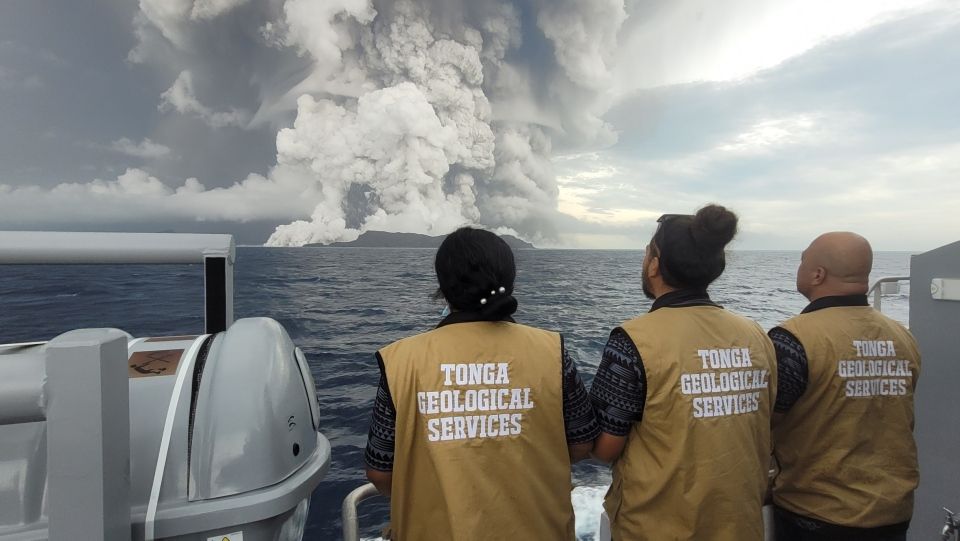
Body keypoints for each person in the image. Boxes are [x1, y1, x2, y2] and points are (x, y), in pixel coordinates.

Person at [363, 226, 599, 540]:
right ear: (510, 281)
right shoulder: (551, 352)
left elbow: (380, 472)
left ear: (443, 286)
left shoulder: (401, 361)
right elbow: (583, 443)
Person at [589, 204, 777, 541]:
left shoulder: (633, 341)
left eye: (647, 253)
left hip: (656, 528)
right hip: (739, 525)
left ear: (655, 265)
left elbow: (605, 448)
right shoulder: (756, 335)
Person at [769, 232, 921, 541]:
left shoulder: (793, 339)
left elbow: (766, 422)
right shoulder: (903, 337)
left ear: (817, 274)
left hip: (815, 513)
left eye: (802, 259)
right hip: (893, 513)